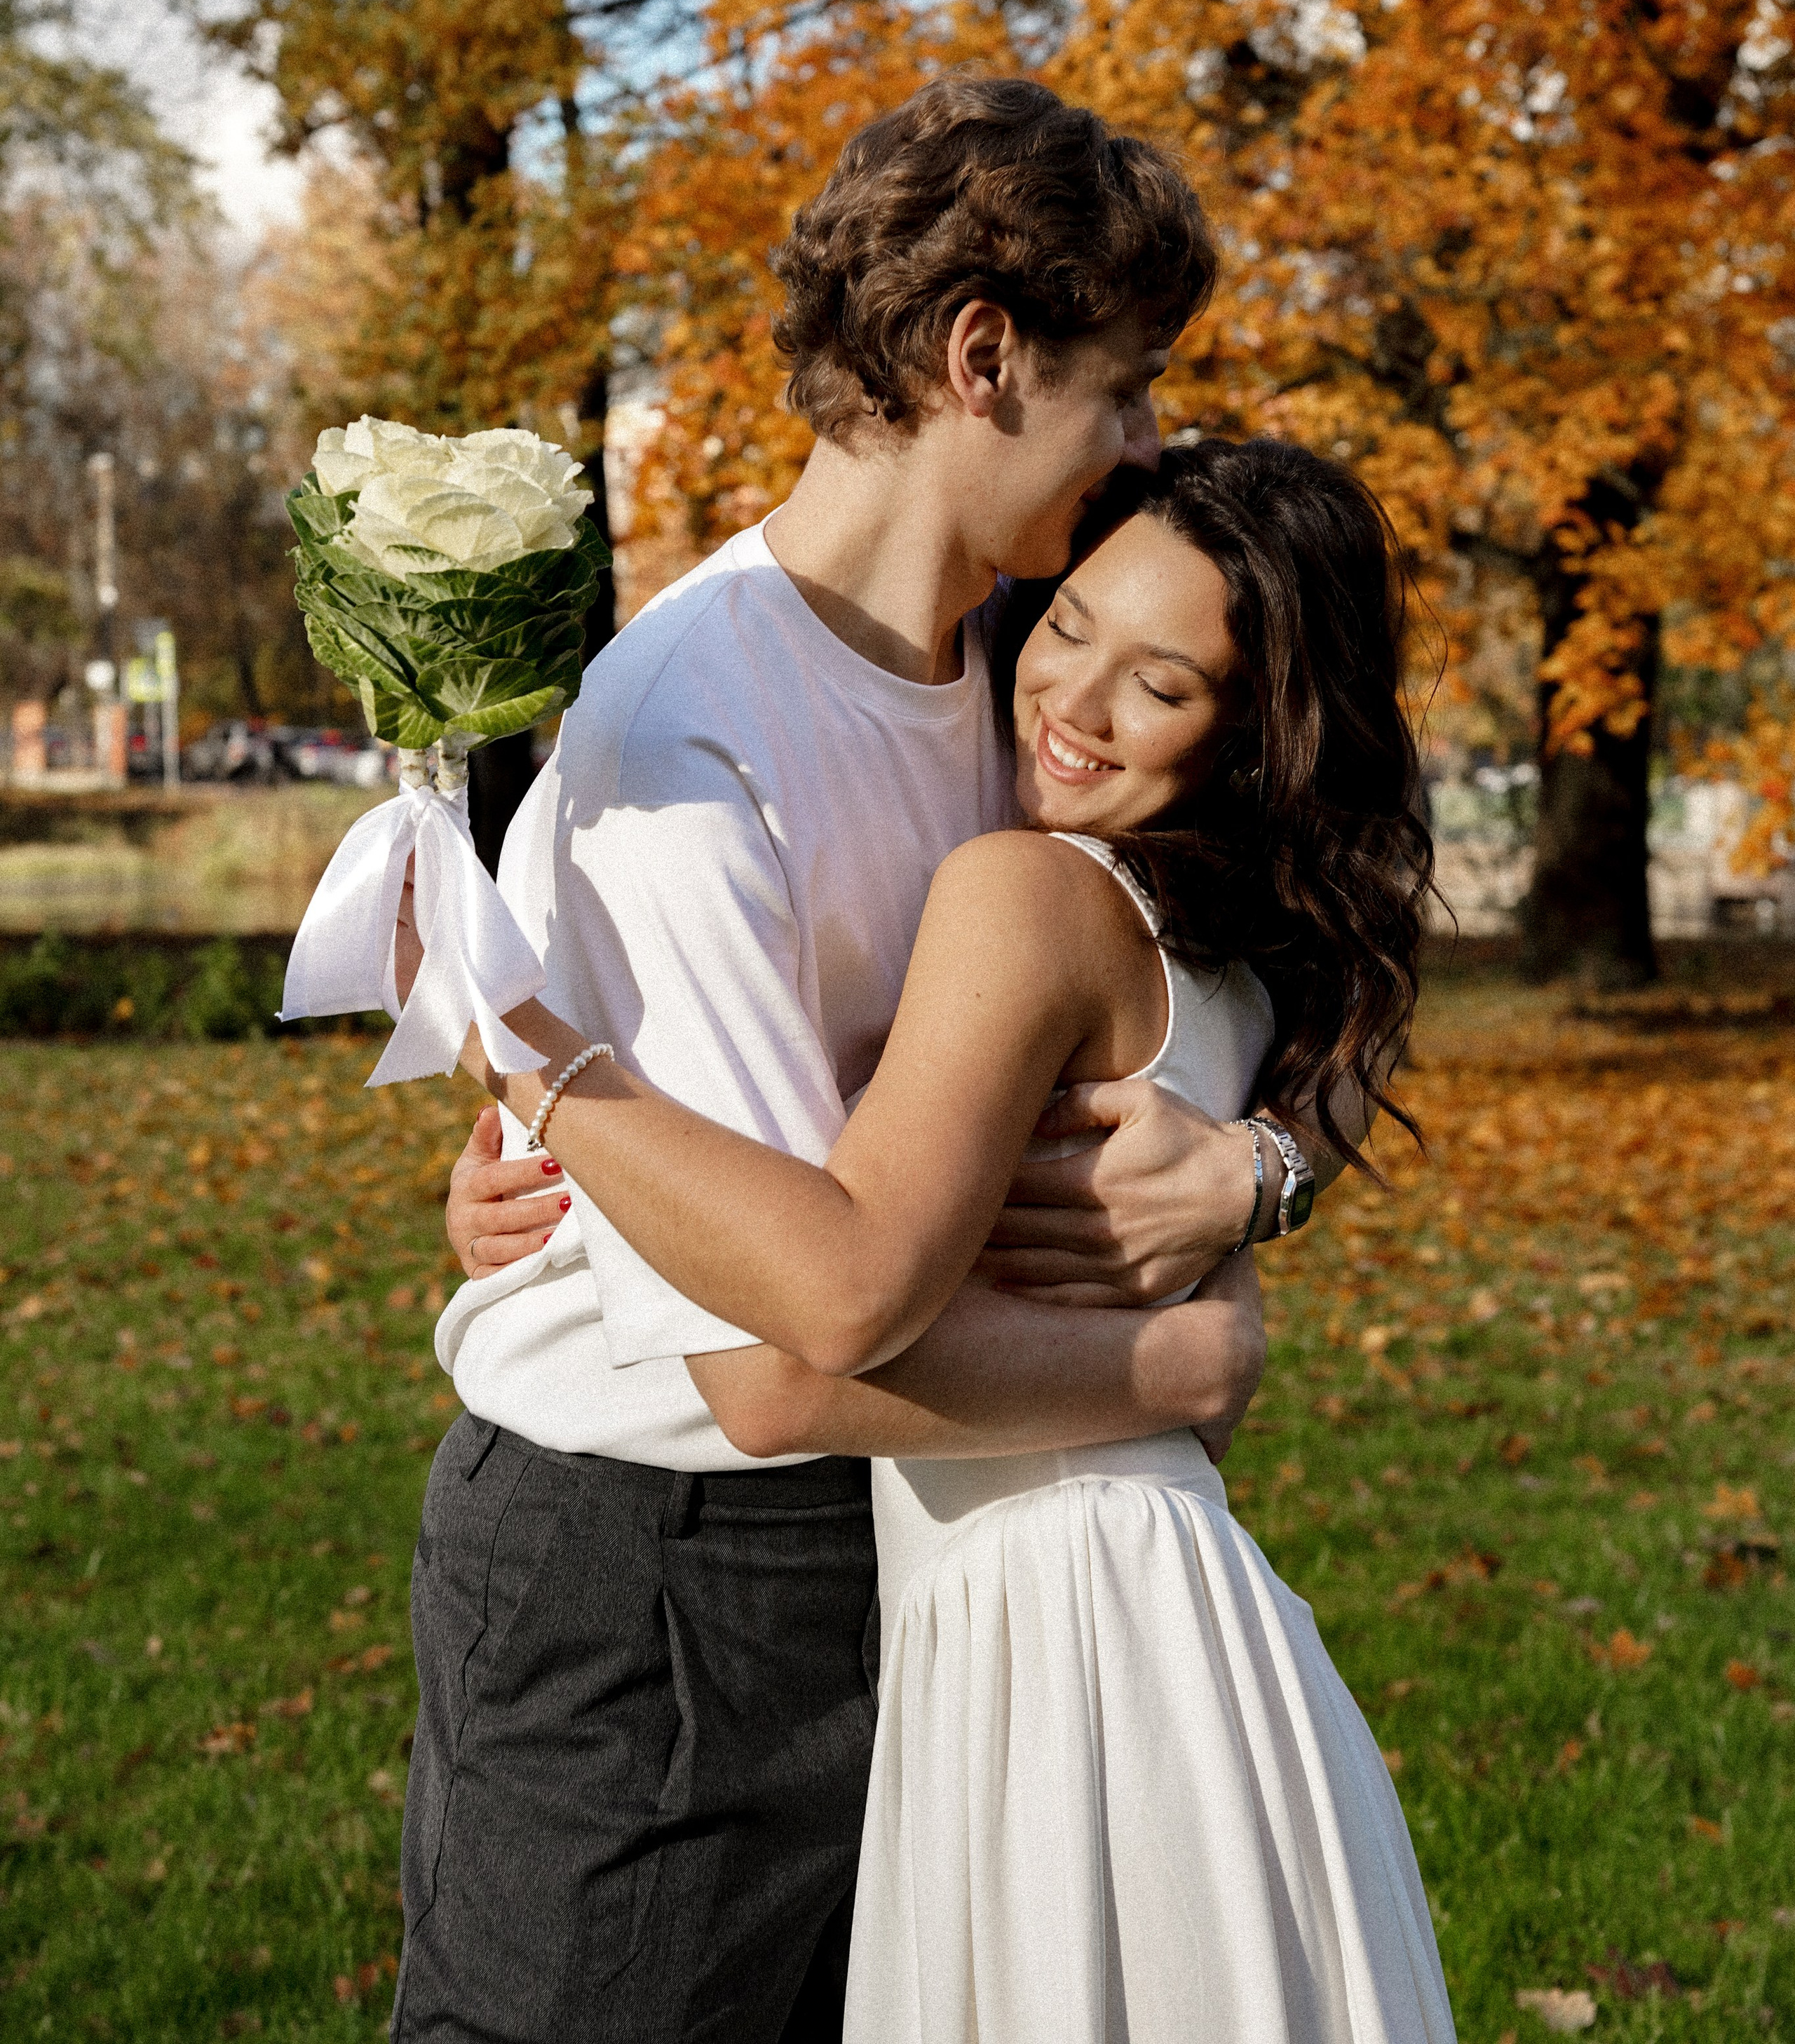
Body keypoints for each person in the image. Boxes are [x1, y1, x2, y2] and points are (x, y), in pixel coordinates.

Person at [393, 79, 1302, 2044]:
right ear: (985, 358)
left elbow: (1219, 975)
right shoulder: (685, 733)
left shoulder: (1022, 670)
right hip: (658, 1575)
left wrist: (1262, 1168)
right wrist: (1188, 1358)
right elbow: (788, 1357)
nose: (1147, 443)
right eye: (1123, 389)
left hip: (918, 1536)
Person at [421, 438, 1452, 2043]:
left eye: (1160, 683)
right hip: (1128, 1587)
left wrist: (521, 1058)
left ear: (1251, 733)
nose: (1079, 698)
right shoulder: (1208, 905)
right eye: (1075, 628)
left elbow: (800, 1344)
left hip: (1043, 1611)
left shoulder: (1022, 884)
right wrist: (1238, 1240)